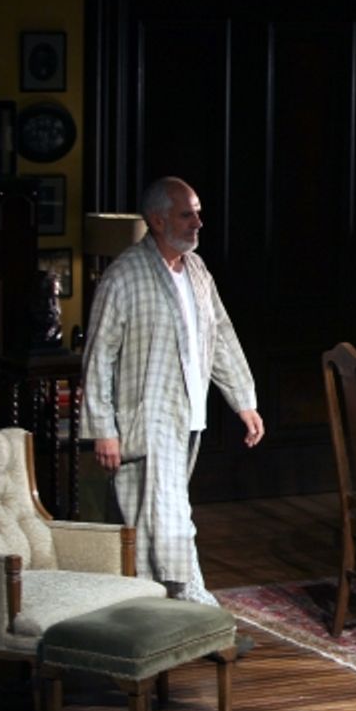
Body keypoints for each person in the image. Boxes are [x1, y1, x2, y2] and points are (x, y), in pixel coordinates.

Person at [81, 176, 264, 606]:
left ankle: (152, 604)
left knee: (158, 516)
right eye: (187, 214)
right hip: (145, 418)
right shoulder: (123, 276)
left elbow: (220, 335)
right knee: (165, 516)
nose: (198, 222)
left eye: (198, 212)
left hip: (187, 415)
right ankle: (187, 600)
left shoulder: (197, 271)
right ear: (157, 220)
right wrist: (102, 428)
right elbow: (98, 355)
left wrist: (244, 401)